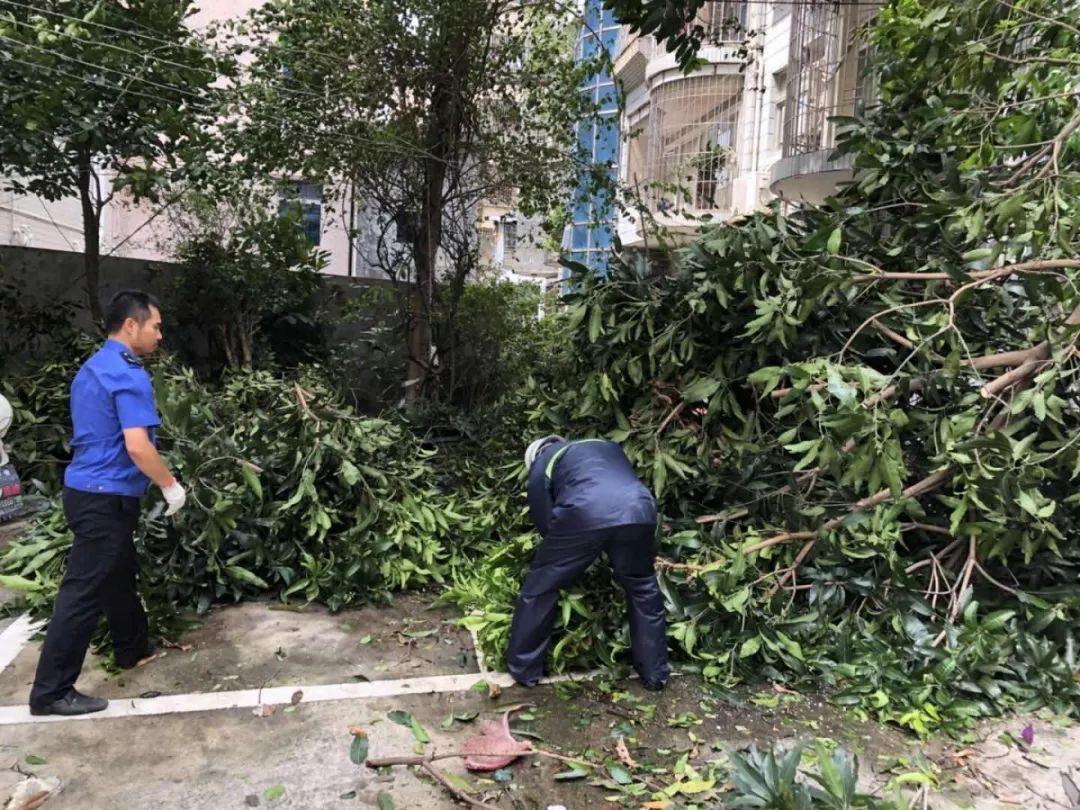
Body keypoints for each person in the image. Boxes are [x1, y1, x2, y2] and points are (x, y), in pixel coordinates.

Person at [29, 290, 186, 716]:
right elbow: (138, 446)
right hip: (105, 495)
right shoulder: (127, 375)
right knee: (82, 591)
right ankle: (51, 691)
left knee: (117, 571)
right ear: (131, 325)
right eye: (155, 326)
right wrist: (170, 485)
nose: (160, 335)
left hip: (85, 491)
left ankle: (132, 647)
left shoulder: (92, 368)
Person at [506, 436, 669, 690]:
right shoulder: (604, 446)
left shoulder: (542, 463)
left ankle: (524, 670)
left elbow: (545, 522)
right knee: (642, 587)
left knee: (541, 588)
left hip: (586, 511)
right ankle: (655, 674)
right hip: (639, 508)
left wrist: (565, 558)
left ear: (535, 456)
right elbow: (617, 485)